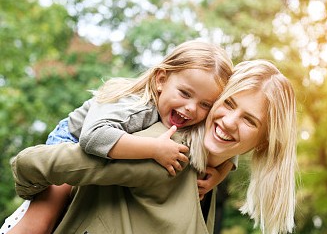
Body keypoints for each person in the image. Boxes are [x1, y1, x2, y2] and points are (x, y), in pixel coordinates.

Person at [10, 59, 298, 234]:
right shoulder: (164, 151)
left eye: (249, 120)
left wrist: (224, 168)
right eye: (229, 104)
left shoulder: (208, 173)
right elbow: (31, 163)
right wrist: (42, 201)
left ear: (263, 143)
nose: (231, 121)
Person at [0, 40, 234, 234]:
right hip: (72, 138)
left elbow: (225, 144)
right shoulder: (136, 107)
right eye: (185, 93)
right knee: (43, 219)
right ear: (161, 80)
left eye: (205, 104)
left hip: (108, 145)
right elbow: (93, 137)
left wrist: (220, 173)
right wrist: (154, 149)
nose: (192, 108)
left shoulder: (188, 116)